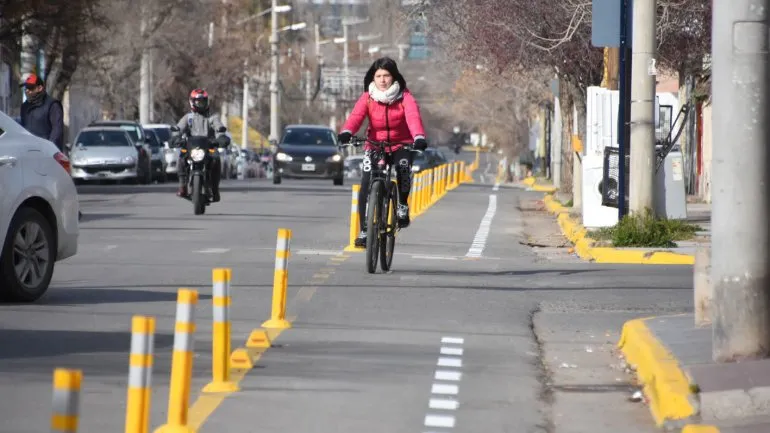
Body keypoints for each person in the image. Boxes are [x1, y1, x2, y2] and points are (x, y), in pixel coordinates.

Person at [337, 57, 428, 248]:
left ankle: (402, 205)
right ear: (373, 78)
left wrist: (418, 136)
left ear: (394, 77)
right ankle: (364, 230)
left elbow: (412, 117)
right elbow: (356, 117)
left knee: (403, 168)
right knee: (366, 182)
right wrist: (346, 132)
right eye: (378, 76)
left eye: (386, 75)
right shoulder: (368, 97)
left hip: (400, 144)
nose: (382, 80)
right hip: (374, 144)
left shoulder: (405, 97)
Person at [173, 88, 229, 201]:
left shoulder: (212, 117)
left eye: (203, 101)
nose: (200, 104)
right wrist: (175, 137)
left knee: (216, 159)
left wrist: (221, 137)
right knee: (181, 158)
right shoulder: (188, 118)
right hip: (190, 147)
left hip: (209, 147)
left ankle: (214, 189)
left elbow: (219, 128)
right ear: (192, 102)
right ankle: (183, 186)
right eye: (198, 102)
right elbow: (178, 129)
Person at [19, 73, 64, 151]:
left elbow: (57, 130)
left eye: (31, 88)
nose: (27, 91)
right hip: (29, 151)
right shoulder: (24, 107)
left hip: (47, 153)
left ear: (40, 88)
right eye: (26, 88)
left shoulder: (52, 105)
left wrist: (49, 148)